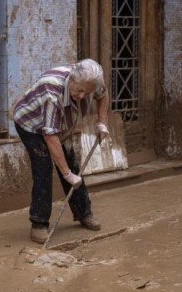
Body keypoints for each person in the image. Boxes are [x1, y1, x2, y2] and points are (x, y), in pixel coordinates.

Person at [12, 59, 111, 244]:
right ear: (71, 80)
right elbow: (50, 137)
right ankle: (39, 224)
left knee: (73, 165)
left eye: (86, 93)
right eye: (79, 90)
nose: (82, 96)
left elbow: (102, 95)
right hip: (30, 124)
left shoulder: (89, 80)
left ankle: (84, 213)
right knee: (44, 168)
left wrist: (102, 122)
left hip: (60, 125)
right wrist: (66, 174)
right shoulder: (52, 91)